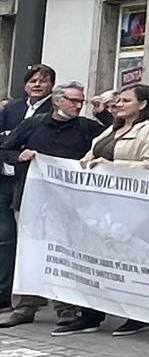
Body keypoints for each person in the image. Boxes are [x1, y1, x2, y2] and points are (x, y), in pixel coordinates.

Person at [61, 85, 149, 336]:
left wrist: (114, 166)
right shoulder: (109, 131)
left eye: (125, 100)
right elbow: (89, 156)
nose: (118, 105)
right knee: (92, 256)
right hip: (99, 205)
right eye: (118, 101)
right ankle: (89, 314)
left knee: (127, 260)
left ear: (142, 104)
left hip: (130, 207)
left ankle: (135, 313)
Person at [0, 81, 101, 328]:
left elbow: (112, 138)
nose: (79, 106)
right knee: (30, 250)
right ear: (58, 101)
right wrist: (19, 156)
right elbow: (5, 149)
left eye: (82, 101)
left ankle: (66, 306)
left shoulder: (86, 128)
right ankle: (26, 305)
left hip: (69, 203)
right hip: (31, 198)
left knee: (63, 251)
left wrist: (105, 111)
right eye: (74, 100)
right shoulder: (34, 124)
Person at [0, 62, 55, 323]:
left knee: (29, 240)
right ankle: (5, 291)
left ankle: (30, 296)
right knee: (5, 238)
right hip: (5, 179)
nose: (37, 84)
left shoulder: (53, 111)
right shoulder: (12, 108)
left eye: (43, 80)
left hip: (32, 184)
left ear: (51, 86)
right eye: (33, 80)